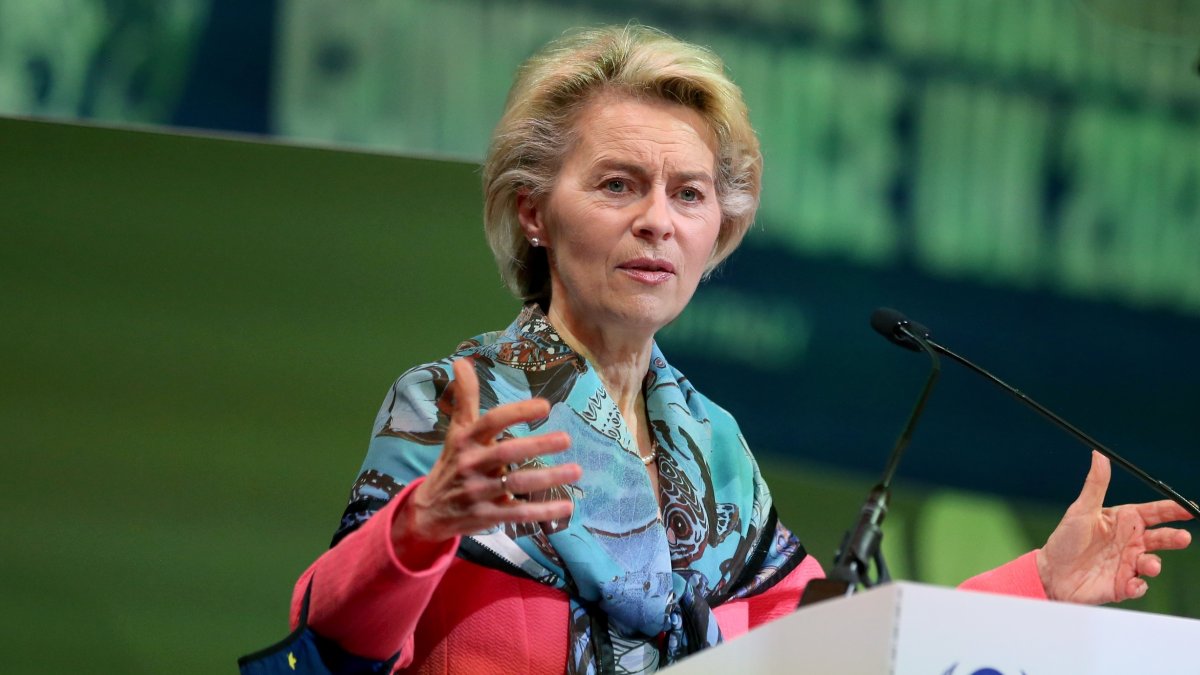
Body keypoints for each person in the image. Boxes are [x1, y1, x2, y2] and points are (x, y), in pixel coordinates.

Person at [289, 25, 1193, 674]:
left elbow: (832, 650)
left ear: (719, 227)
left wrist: (1037, 583)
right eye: (617, 184)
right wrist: (420, 523)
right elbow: (331, 642)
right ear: (534, 211)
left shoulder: (712, 449)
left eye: (689, 194)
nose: (657, 220)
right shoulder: (462, 404)